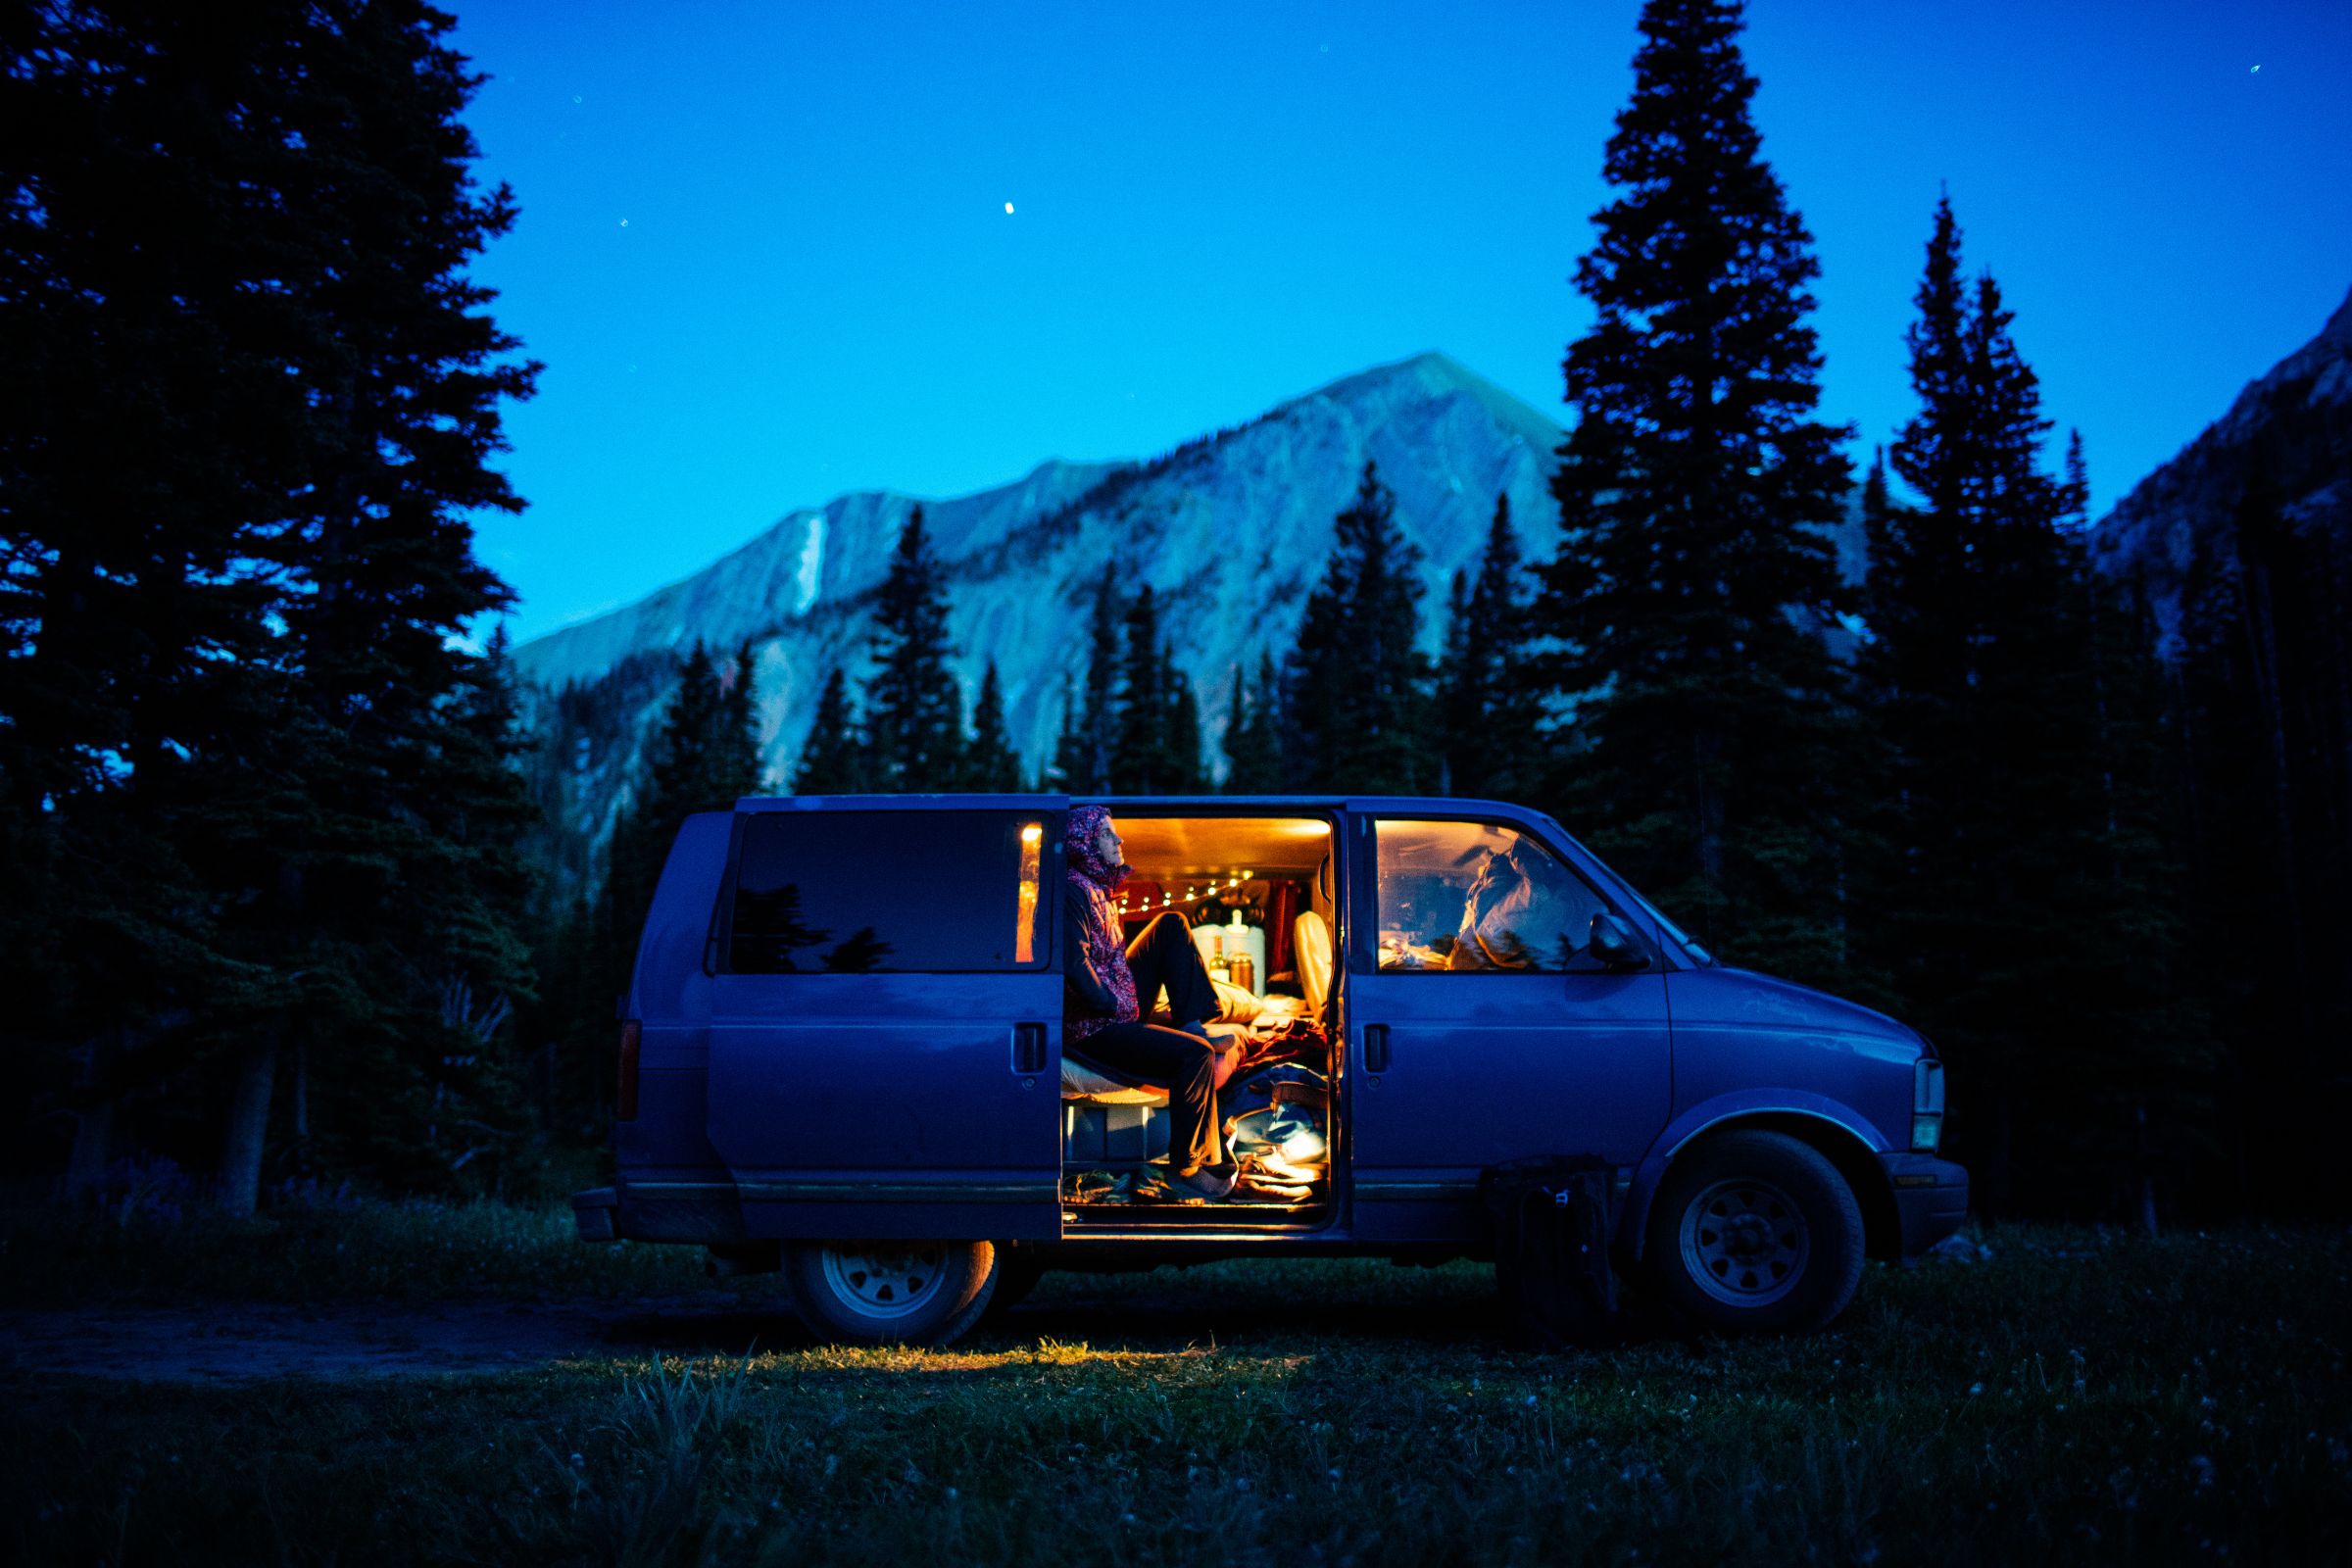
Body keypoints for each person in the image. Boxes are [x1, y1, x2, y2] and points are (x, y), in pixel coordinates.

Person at [1061, 805, 1238, 1200]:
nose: (1119, 839)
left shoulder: (1098, 890)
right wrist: (1107, 1003)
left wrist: (1121, 997)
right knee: (1194, 1057)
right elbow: (1074, 962)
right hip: (1094, 1026)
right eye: (1108, 833)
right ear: (1087, 843)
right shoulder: (1074, 890)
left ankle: (1193, 1020)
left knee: (1170, 925)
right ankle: (1187, 1166)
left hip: (1116, 1004)